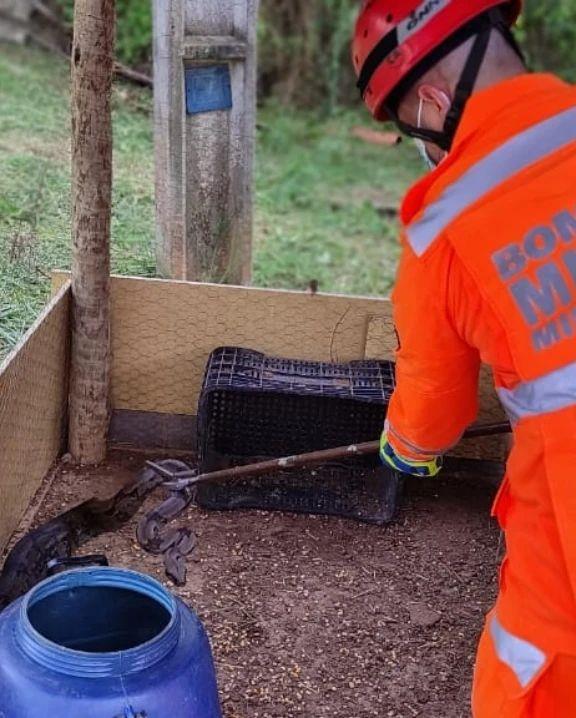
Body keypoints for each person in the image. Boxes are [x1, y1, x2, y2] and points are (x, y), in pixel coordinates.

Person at [352, 1, 576, 715]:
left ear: (432, 99)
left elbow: (433, 413)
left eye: (406, 127)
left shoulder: (445, 227)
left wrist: (407, 445)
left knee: (527, 669)